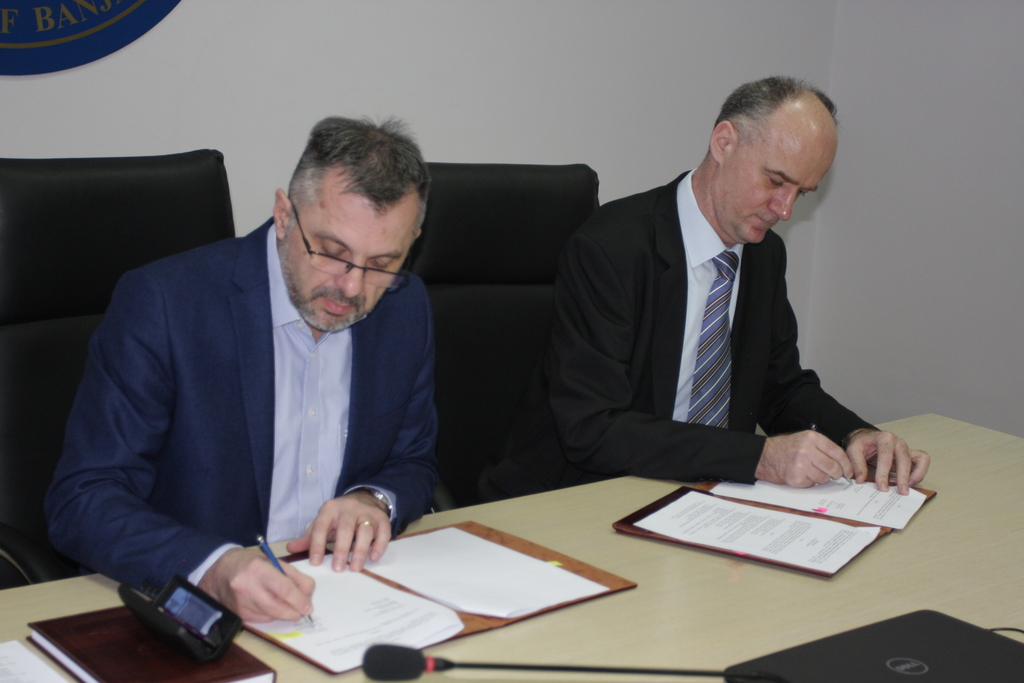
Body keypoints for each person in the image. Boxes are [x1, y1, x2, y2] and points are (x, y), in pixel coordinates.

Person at [46, 116, 437, 623]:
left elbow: (413, 462)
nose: (352, 287)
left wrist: (374, 500)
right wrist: (212, 566)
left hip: (344, 600)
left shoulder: (406, 307)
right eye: (331, 252)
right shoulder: (165, 304)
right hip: (192, 610)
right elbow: (84, 500)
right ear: (283, 215)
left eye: (382, 263)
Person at [484, 76, 930, 501]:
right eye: (776, 181)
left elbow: (779, 386)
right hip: (579, 495)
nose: (785, 210)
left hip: (702, 497)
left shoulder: (763, 254)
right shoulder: (610, 249)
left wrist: (854, 434)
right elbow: (593, 428)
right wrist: (759, 458)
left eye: (802, 192)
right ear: (724, 143)